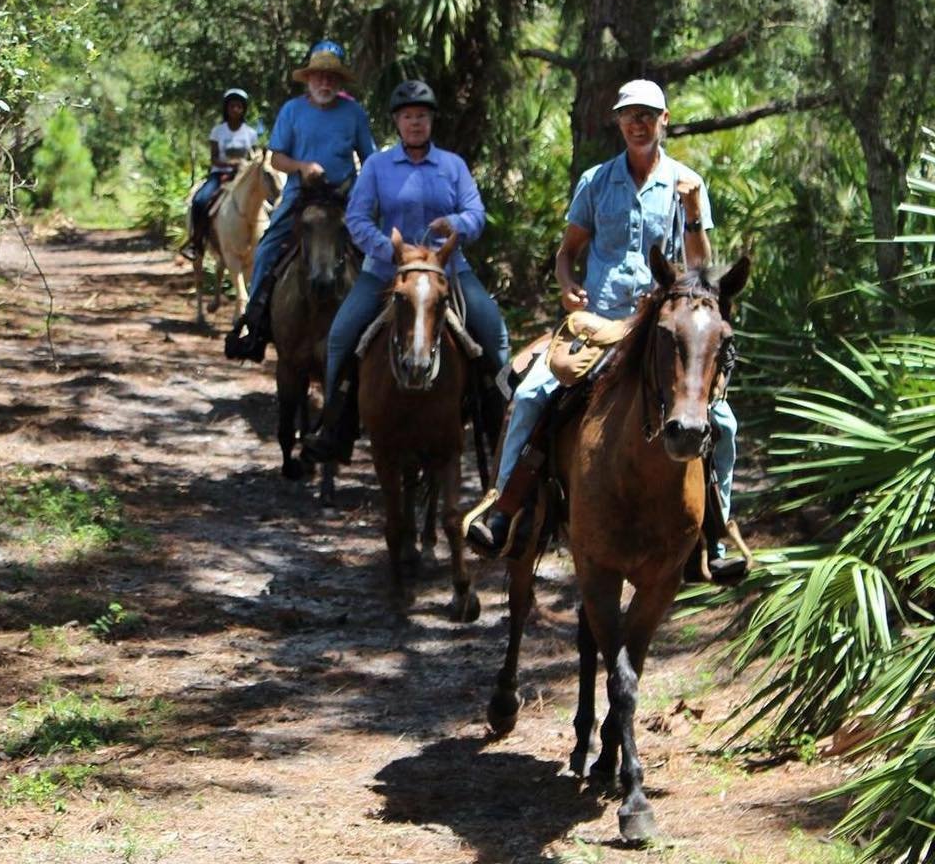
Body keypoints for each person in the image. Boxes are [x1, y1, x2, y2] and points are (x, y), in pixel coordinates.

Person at [465, 78, 746, 582]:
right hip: (600, 324)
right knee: (532, 393)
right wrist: (568, 286)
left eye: (648, 115)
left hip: (661, 327)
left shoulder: (689, 183)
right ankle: (504, 505)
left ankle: (716, 531)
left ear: (665, 121)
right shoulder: (595, 181)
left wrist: (694, 214)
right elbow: (567, 253)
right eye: (628, 115)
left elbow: (701, 272)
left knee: (720, 421)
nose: (638, 123)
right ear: (618, 123)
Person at [300, 79, 510, 464]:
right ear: (397, 122)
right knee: (341, 335)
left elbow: (476, 213)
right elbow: (358, 217)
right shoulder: (378, 166)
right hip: (385, 272)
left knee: (495, 333)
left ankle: (502, 429)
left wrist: (457, 224)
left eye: (423, 117)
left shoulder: (453, 166)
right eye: (409, 116)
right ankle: (336, 429)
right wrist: (390, 251)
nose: (416, 123)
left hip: (448, 271)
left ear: (432, 122)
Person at [225, 40, 377, 362]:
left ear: (339, 82)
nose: (325, 83)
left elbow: (371, 159)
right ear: (309, 78)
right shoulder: (292, 111)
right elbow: (276, 158)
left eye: (332, 77)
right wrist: (302, 168)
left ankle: (381, 329)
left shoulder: (354, 113)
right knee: (267, 248)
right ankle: (255, 325)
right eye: (319, 76)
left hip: (344, 197)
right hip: (300, 195)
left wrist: (362, 189)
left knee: (373, 253)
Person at [182, 88, 259, 261]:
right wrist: (228, 166)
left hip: (243, 176)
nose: (235, 110)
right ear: (226, 108)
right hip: (220, 174)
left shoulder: (250, 133)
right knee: (200, 200)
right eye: (232, 106)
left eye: (239, 106)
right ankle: (196, 242)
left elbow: (254, 158)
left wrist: (243, 167)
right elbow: (214, 158)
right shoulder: (218, 131)